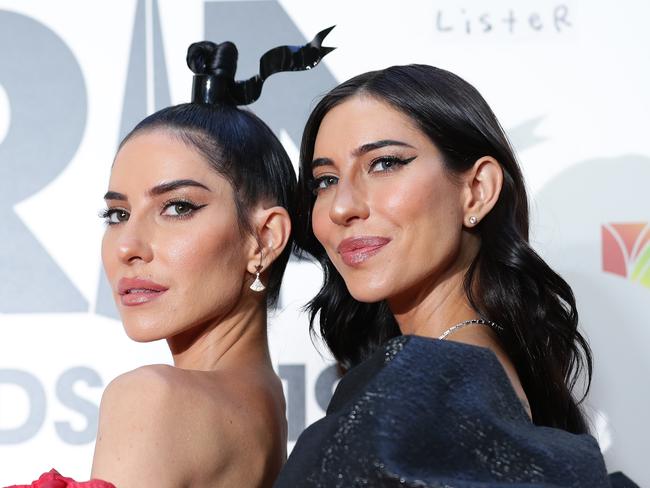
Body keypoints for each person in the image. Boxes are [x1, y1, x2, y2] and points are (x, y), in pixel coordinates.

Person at [275, 65, 637, 487]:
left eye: (384, 163)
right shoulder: (471, 378)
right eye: (326, 180)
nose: (341, 206)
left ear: (477, 189)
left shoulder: (436, 388)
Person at [8, 29, 333, 488]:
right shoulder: (267, 409)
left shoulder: (152, 400)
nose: (127, 246)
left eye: (177, 207)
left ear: (264, 237)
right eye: (117, 213)